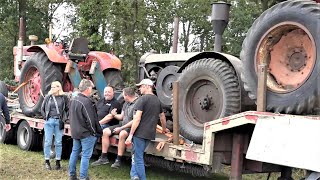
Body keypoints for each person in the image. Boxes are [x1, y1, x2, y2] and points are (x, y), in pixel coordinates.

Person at [125, 79, 167, 180]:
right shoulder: (157, 100)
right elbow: (162, 117)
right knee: (137, 155)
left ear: (147, 86)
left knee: (138, 158)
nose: (139, 89)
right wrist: (164, 129)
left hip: (139, 133)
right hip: (150, 134)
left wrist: (130, 135)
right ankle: (134, 176)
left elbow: (137, 119)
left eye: (141, 86)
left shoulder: (142, 99)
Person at [91, 87, 138, 168]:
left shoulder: (137, 104)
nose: (122, 97)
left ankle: (118, 160)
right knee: (105, 131)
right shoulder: (126, 103)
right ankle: (104, 157)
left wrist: (121, 128)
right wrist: (114, 115)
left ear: (127, 95)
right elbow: (121, 117)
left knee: (122, 134)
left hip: (130, 126)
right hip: (122, 124)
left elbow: (135, 121)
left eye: (123, 95)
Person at [68, 79, 102, 180]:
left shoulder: (73, 99)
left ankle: (72, 175)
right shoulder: (87, 102)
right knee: (86, 156)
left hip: (75, 132)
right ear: (87, 89)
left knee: (74, 152)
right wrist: (94, 132)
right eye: (91, 88)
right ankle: (83, 177)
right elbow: (91, 120)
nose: (92, 90)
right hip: (86, 134)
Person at [41, 81, 69, 170]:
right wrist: (46, 117)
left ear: (58, 88)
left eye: (54, 87)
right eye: (51, 87)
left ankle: (58, 161)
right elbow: (42, 108)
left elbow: (68, 109)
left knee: (58, 142)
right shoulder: (48, 97)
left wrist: (64, 119)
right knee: (48, 142)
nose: (52, 88)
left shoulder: (64, 97)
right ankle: (47, 161)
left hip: (59, 122)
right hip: (49, 121)